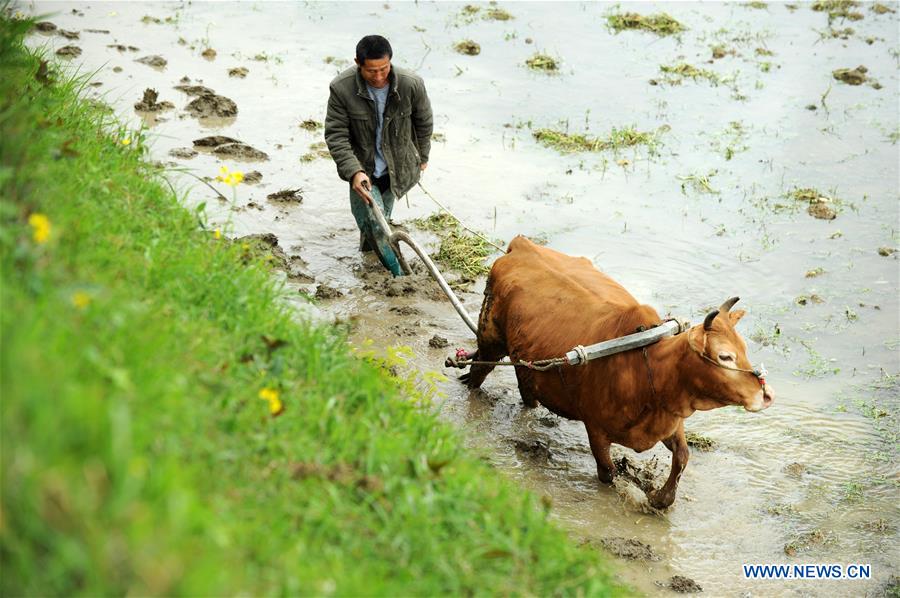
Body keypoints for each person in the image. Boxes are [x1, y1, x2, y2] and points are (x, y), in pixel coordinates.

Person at [324, 35, 433, 276]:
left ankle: (369, 258)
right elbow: (336, 135)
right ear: (357, 63)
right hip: (364, 169)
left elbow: (424, 122)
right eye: (372, 71)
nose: (379, 76)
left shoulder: (410, 84)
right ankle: (400, 275)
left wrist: (423, 157)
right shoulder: (341, 89)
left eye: (384, 69)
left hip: (396, 169)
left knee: (378, 223)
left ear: (390, 62)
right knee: (376, 222)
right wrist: (354, 171)